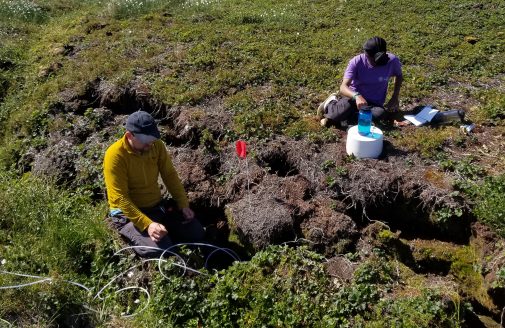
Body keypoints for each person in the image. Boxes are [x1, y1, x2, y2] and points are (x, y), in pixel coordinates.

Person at [103, 110, 205, 258]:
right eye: (145, 140)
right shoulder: (115, 155)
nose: (150, 144)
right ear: (129, 135)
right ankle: (142, 234)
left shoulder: (156, 146)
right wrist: (147, 224)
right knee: (160, 251)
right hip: (127, 214)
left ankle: (165, 234)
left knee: (197, 233)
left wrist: (183, 204)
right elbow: (120, 198)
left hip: (156, 207)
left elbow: (169, 175)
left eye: (152, 139)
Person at [317, 36, 403, 127]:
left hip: (374, 103)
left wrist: (395, 96)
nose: (375, 63)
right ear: (366, 55)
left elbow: (399, 75)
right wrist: (357, 96)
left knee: (380, 114)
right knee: (341, 112)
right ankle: (330, 103)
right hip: (352, 99)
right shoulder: (356, 62)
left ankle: (345, 119)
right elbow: (343, 87)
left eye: (379, 59)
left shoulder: (392, 61)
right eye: (372, 59)